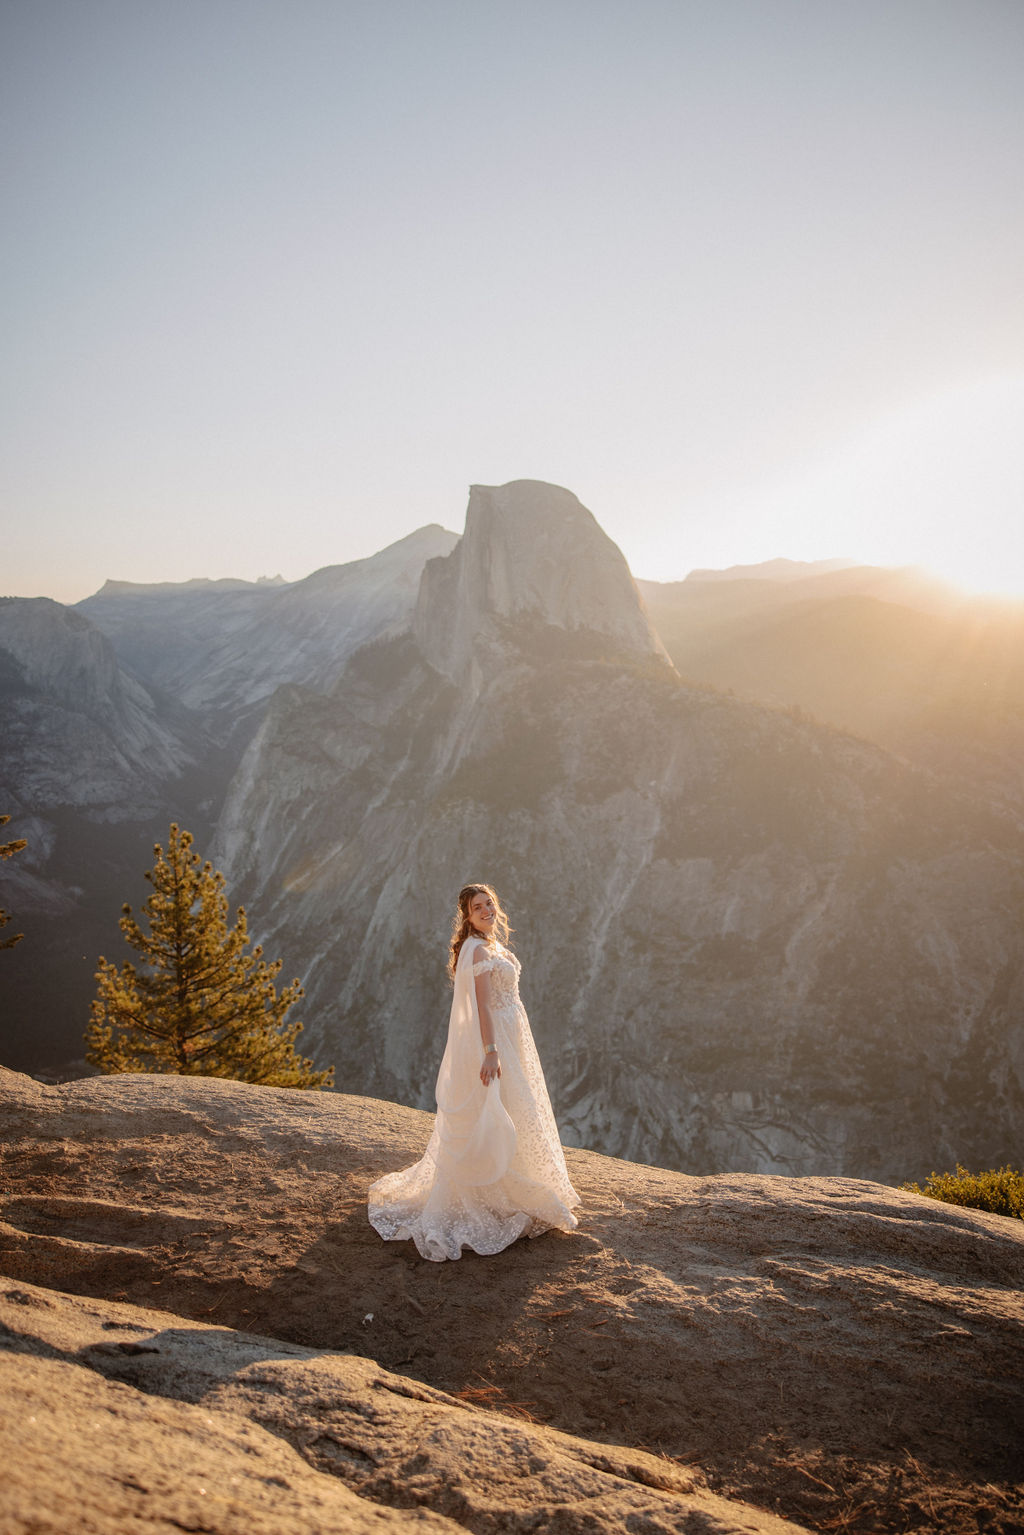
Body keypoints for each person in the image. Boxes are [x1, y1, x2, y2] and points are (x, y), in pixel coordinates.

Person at [368, 883, 580, 1261]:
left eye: (489, 904)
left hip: (514, 1036)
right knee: (499, 1111)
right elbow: (481, 1007)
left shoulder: (490, 945)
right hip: (497, 1040)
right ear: (466, 915)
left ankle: (513, 1184)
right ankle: (493, 1193)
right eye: (477, 907)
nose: (486, 910)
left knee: (517, 1109)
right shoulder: (477, 949)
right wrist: (491, 1052)